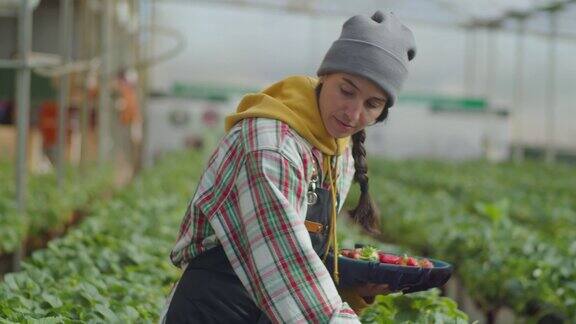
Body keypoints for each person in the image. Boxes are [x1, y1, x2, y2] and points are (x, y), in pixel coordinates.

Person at [161, 10, 416, 323]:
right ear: (324, 77)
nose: (353, 112)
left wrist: (352, 290)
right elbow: (285, 263)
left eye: (372, 104)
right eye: (346, 91)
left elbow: (305, 253)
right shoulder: (271, 143)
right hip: (214, 309)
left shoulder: (339, 152)